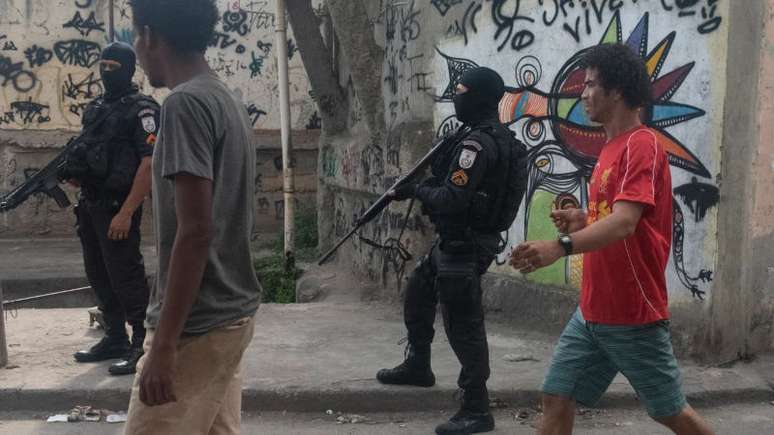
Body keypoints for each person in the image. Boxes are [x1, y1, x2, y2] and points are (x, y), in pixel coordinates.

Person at [510, 43, 715, 435]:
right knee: (556, 396)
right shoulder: (611, 147)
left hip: (631, 313)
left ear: (617, 90)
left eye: (589, 85)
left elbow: (624, 224)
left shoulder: (643, 145)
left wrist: (559, 247)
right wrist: (582, 218)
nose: (582, 94)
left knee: (670, 411)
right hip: (592, 311)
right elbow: (622, 217)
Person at [122, 0, 262, 433]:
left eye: (135, 36)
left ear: (149, 36)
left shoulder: (184, 105)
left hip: (197, 325)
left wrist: (163, 346)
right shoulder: (225, 98)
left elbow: (196, 231)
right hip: (231, 314)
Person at [377, 67, 528, 435]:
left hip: (467, 243)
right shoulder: (492, 138)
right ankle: (418, 364)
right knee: (418, 291)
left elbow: (452, 198)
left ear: (478, 96)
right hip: (457, 241)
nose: (455, 96)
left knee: (464, 325)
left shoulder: (477, 146)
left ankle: (477, 407)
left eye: (461, 91)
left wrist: (416, 190)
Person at [65, 41, 159, 376]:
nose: (106, 72)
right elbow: (91, 154)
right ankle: (115, 336)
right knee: (98, 273)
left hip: (119, 206)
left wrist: (126, 212)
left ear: (130, 68)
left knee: (126, 275)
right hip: (90, 205)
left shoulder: (143, 110)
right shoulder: (96, 108)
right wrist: (75, 174)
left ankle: (141, 343)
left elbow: (148, 164)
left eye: (113, 67)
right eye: (102, 65)